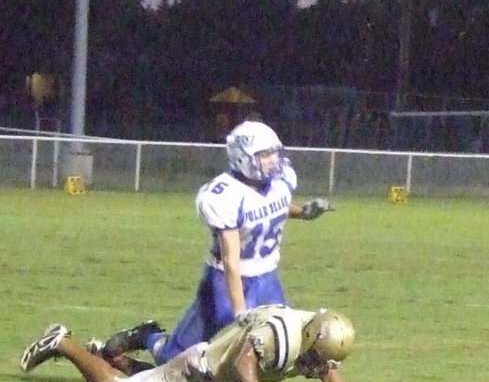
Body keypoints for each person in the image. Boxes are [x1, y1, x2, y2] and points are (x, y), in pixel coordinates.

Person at [99, 120, 335, 367]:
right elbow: (231, 258)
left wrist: (304, 213)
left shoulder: (279, 181)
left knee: (285, 344)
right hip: (224, 282)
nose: (273, 160)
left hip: (267, 279)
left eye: (274, 153)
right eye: (264, 154)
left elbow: (272, 207)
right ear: (243, 157)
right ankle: (148, 336)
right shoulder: (225, 195)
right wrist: (240, 309)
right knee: (175, 358)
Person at [19, 305, 359, 382]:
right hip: (198, 370)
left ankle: (106, 354)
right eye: (318, 357)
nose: (319, 366)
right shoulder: (285, 336)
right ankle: (62, 342)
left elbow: (329, 369)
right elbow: (244, 366)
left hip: (209, 380)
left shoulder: (313, 330)